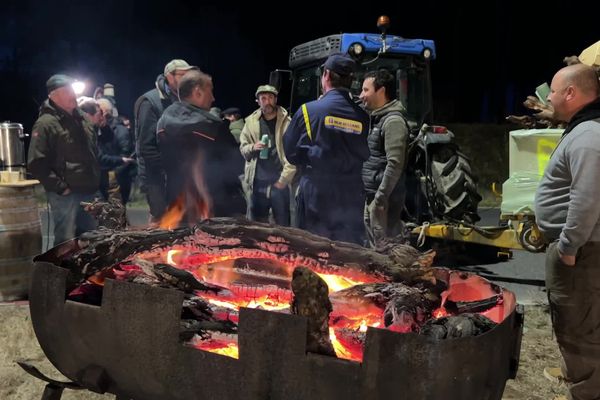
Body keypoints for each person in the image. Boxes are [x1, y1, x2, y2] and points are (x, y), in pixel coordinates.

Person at [534, 63, 600, 400]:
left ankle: (587, 392)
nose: (552, 98)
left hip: (582, 253)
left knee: (578, 329)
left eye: (556, 92)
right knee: (585, 325)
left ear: (572, 94)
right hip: (583, 249)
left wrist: (569, 247)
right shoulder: (585, 129)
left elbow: (586, 198)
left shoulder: (588, 136)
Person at [283, 53, 369, 244]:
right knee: (348, 249)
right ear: (350, 80)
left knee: (313, 248)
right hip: (351, 193)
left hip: (317, 191)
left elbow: (290, 152)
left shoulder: (308, 110)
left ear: (327, 75)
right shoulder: (363, 116)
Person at [157, 69, 244, 225]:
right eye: (210, 91)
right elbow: (237, 165)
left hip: (177, 207)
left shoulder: (162, 124)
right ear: (198, 92)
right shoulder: (214, 127)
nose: (213, 98)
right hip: (214, 210)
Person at [28, 74, 100, 245]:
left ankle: (87, 272)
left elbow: (93, 152)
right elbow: (36, 162)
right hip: (65, 194)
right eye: (66, 91)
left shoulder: (83, 119)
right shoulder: (46, 123)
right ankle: (61, 272)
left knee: (92, 239)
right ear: (53, 95)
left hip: (89, 191)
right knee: (66, 241)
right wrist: (61, 188)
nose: (72, 95)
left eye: (72, 90)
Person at [134, 59, 196, 223]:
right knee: (161, 223)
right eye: (183, 75)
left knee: (183, 223)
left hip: (181, 176)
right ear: (169, 76)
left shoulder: (184, 101)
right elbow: (146, 147)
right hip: (158, 178)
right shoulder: (150, 101)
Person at [360, 69, 410, 246]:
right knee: (376, 248)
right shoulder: (377, 118)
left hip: (384, 201)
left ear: (381, 91)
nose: (361, 95)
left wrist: (380, 198)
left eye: (366, 90)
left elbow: (395, 163)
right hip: (374, 197)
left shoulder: (392, 122)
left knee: (384, 249)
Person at [240, 85, 296, 226]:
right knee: (256, 226)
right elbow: (243, 148)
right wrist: (253, 147)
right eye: (263, 98)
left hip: (279, 183)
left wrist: (283, 180)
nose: (267, 101)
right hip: (257, 183)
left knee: (283, 227)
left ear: (276, 99)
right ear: (258, 101)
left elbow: (293, 154)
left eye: (270, 97)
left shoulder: (287, 123)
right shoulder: (251, 122)